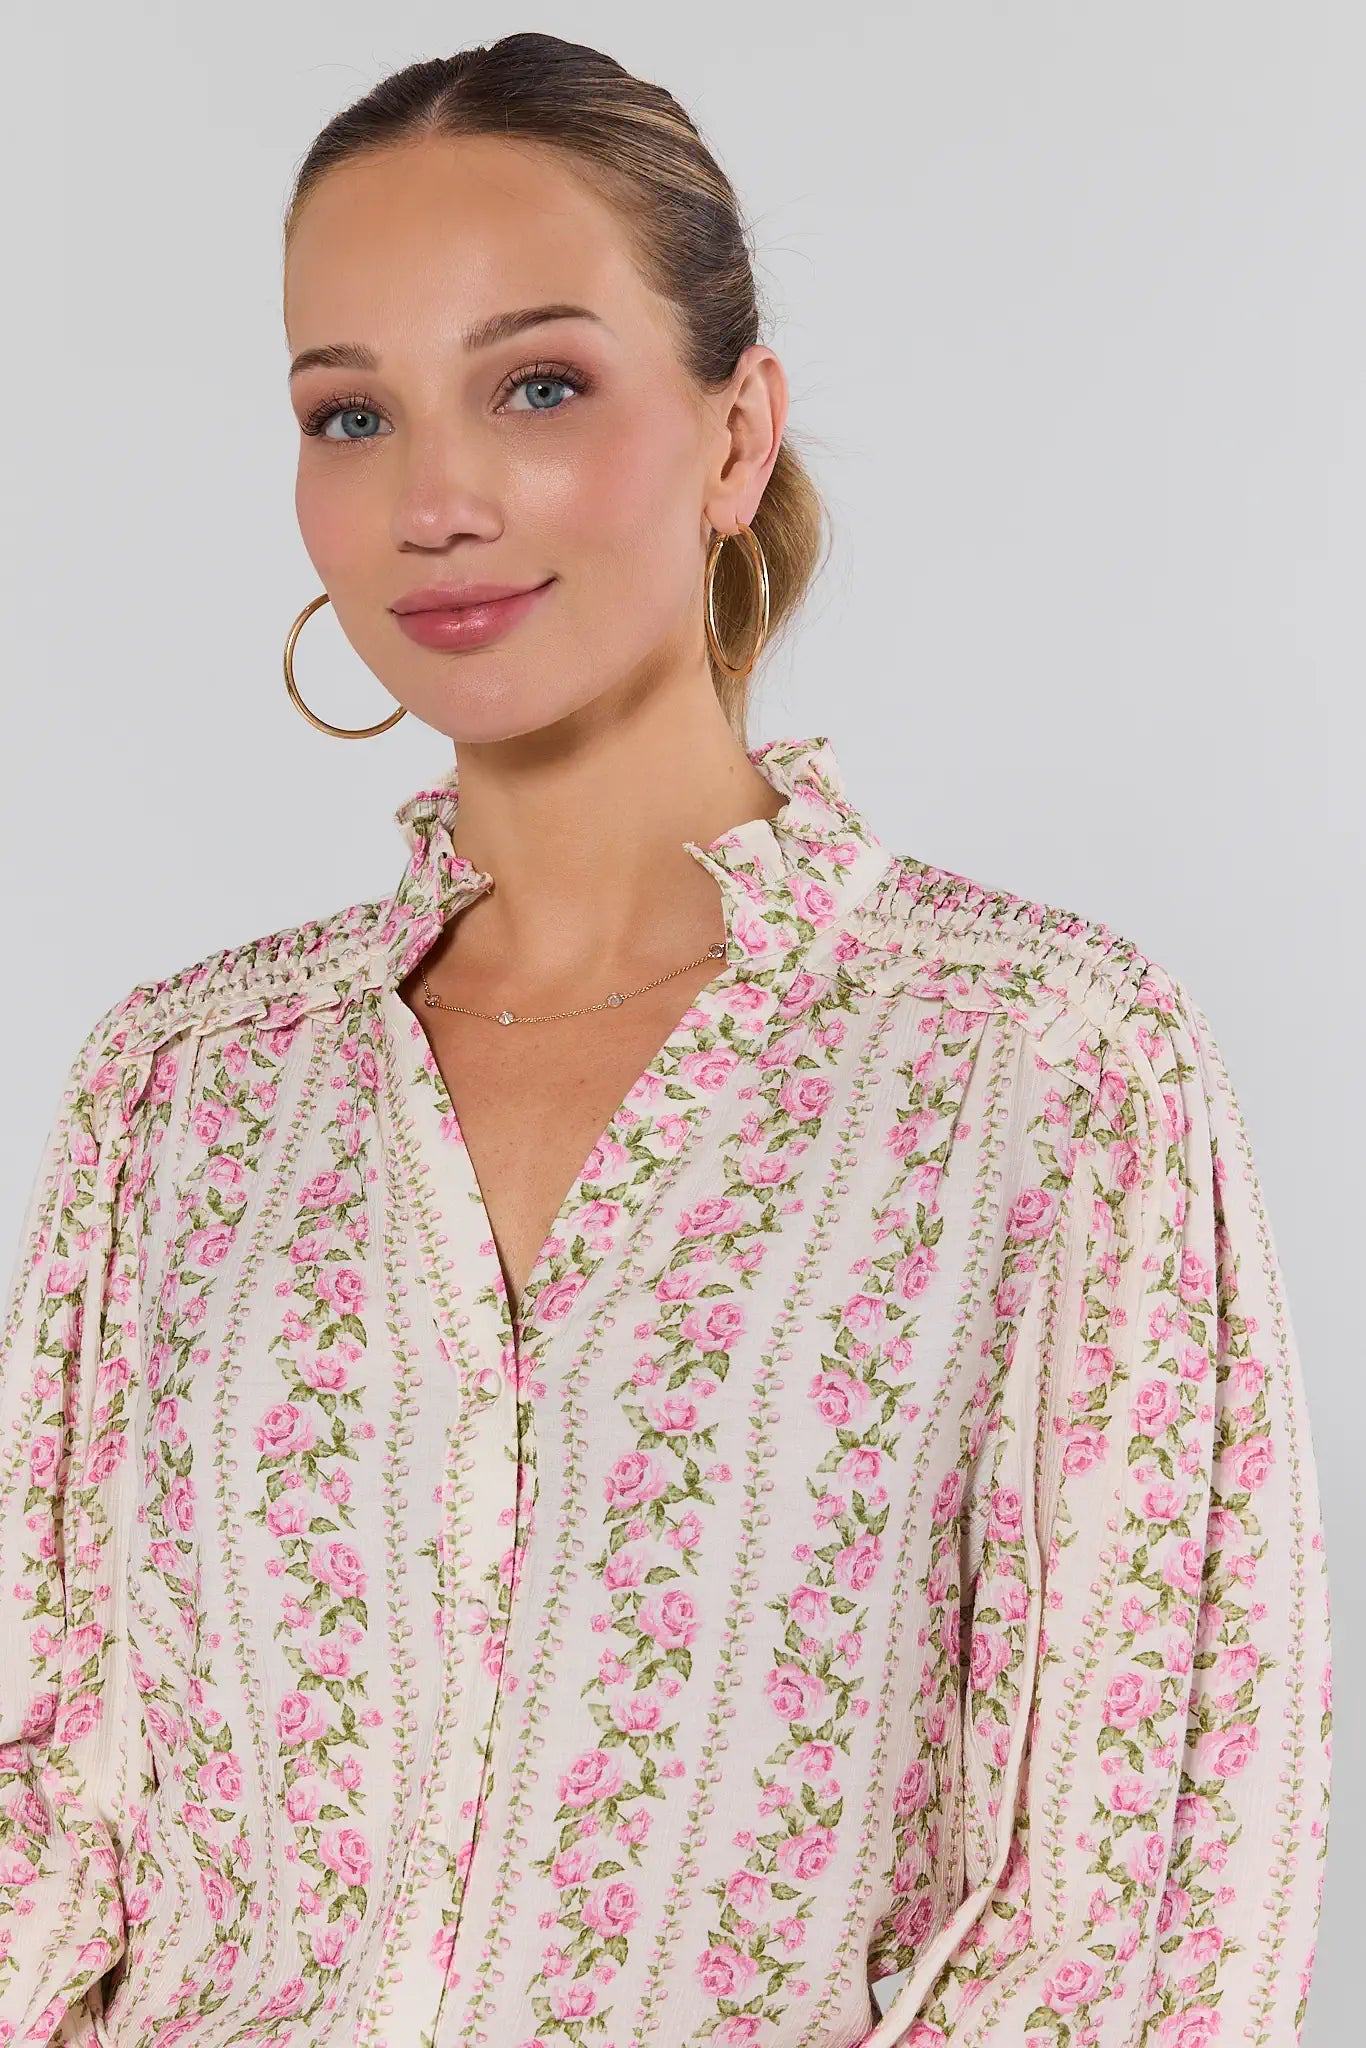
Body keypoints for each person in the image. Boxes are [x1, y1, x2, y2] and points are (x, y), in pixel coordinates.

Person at [0, 32, 1332, 2048]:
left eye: (537, 385)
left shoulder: (1037, 1063)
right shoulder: (182, 1091)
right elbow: (41, 1823)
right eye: (347, 413)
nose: (434, 497)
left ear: (733, 435)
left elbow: (1138, 1906)